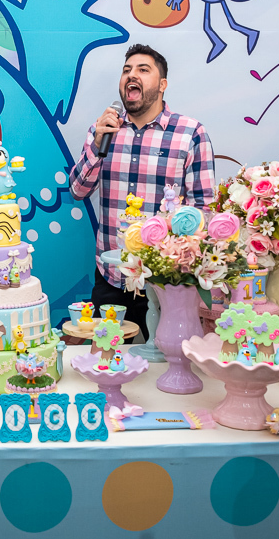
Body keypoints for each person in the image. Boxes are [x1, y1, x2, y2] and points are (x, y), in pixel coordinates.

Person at [68, 44, 216, 338]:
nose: (131, 75)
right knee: (107, 356)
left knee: (167, 356)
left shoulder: (190, 133)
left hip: (166, 279)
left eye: (142, 70)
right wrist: (97, 145)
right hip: (112, 276)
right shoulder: (102, 131)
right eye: (126, 70)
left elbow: (204, 210)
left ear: (162, 85)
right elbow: (78, 191)